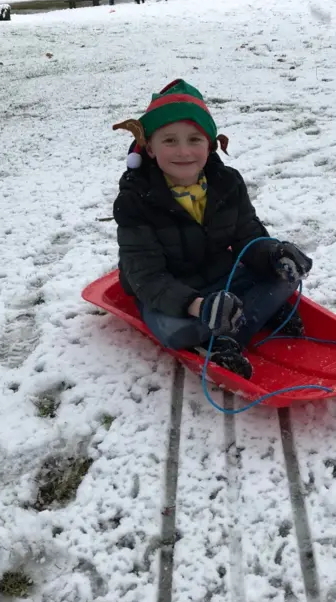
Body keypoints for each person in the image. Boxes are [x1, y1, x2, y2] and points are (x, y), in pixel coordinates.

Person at [112, 80, 312, 380]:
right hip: (169, 291)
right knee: (176, 332)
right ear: (150, 148)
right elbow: (147, 277)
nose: (184, 151)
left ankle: (229, 330)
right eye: (169, 141)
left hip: (222, 276)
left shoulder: (227, 183)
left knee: (283, 279)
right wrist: (198, 307)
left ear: (211, 144)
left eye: (195, 139)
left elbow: (249, 237)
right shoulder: (135, 200)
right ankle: (238, 326)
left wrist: (275, 254)